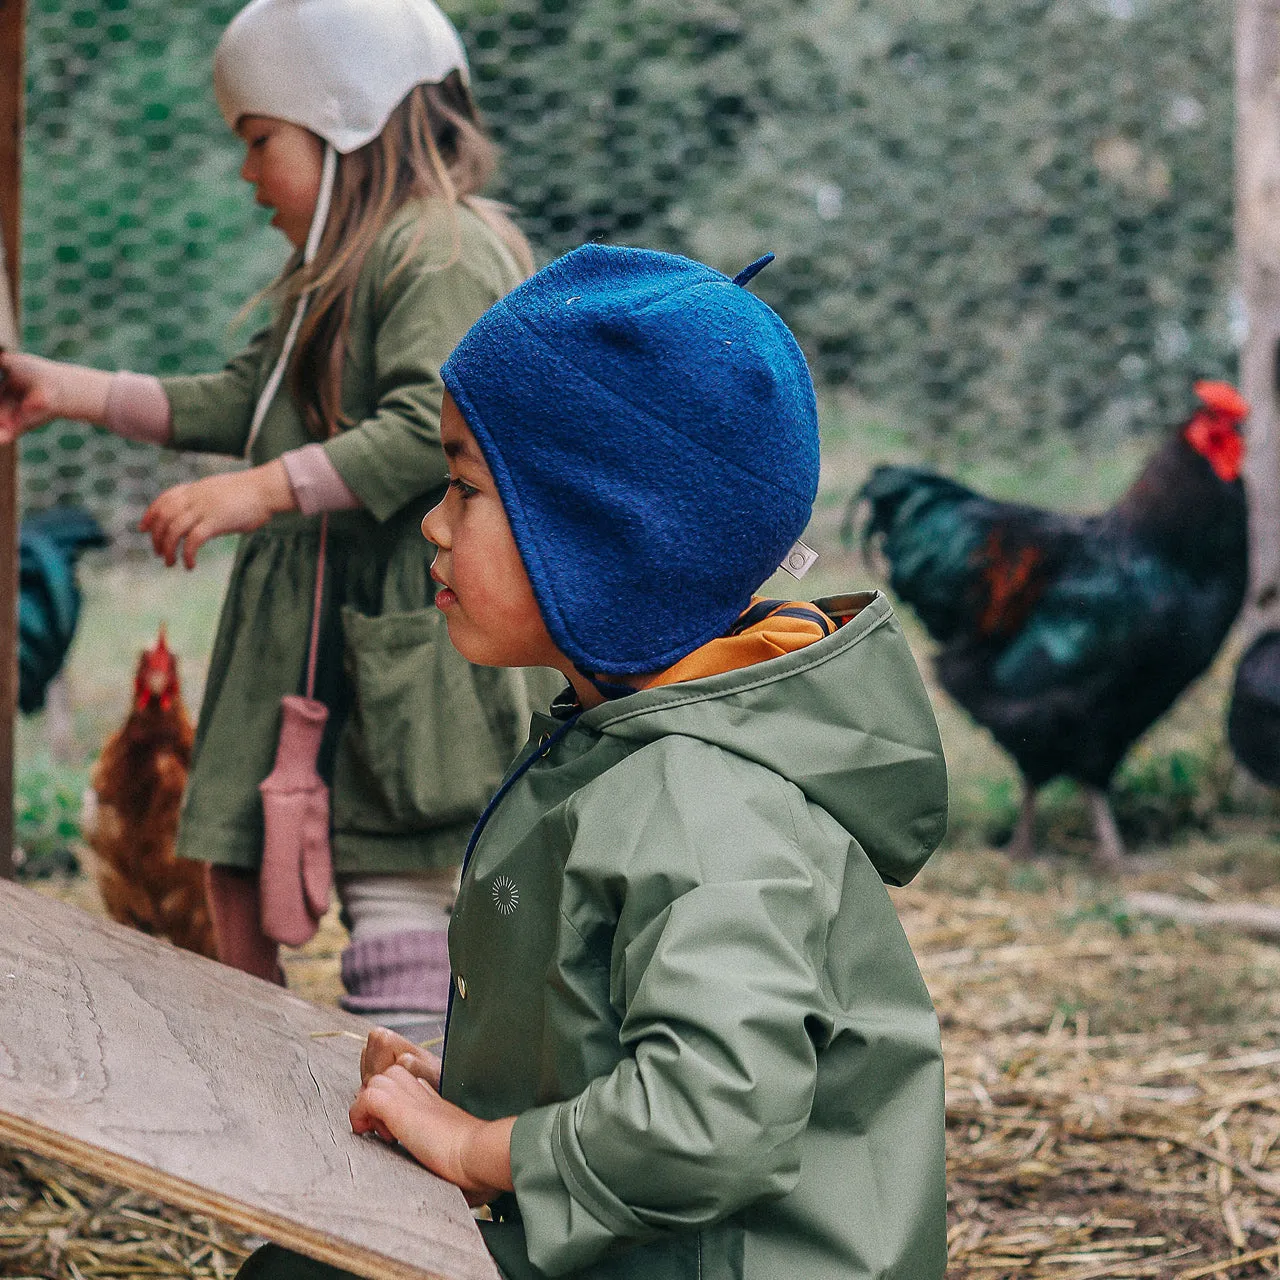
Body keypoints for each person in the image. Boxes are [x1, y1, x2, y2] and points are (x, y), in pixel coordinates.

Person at [241, 243, 951, 1280]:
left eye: (466, 488)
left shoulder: (708, 800)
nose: (432, 525)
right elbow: (623, 1040)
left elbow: (716, 1112)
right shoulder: (628, 739)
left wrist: (480, 1150)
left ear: (601, 535)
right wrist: (470, 1092)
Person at [0, 0, 556, 1030]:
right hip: (319, 632)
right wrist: (66, 389)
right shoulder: (331, 273)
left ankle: (415, 1108)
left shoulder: (435, 249)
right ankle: (280, 1097)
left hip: (410, 632)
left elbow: (427, 421)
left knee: (402, 881)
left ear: (342, 120)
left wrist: (261, 489)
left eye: (260, 141)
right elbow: (239, 403)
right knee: (240, 872)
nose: (247, 173)